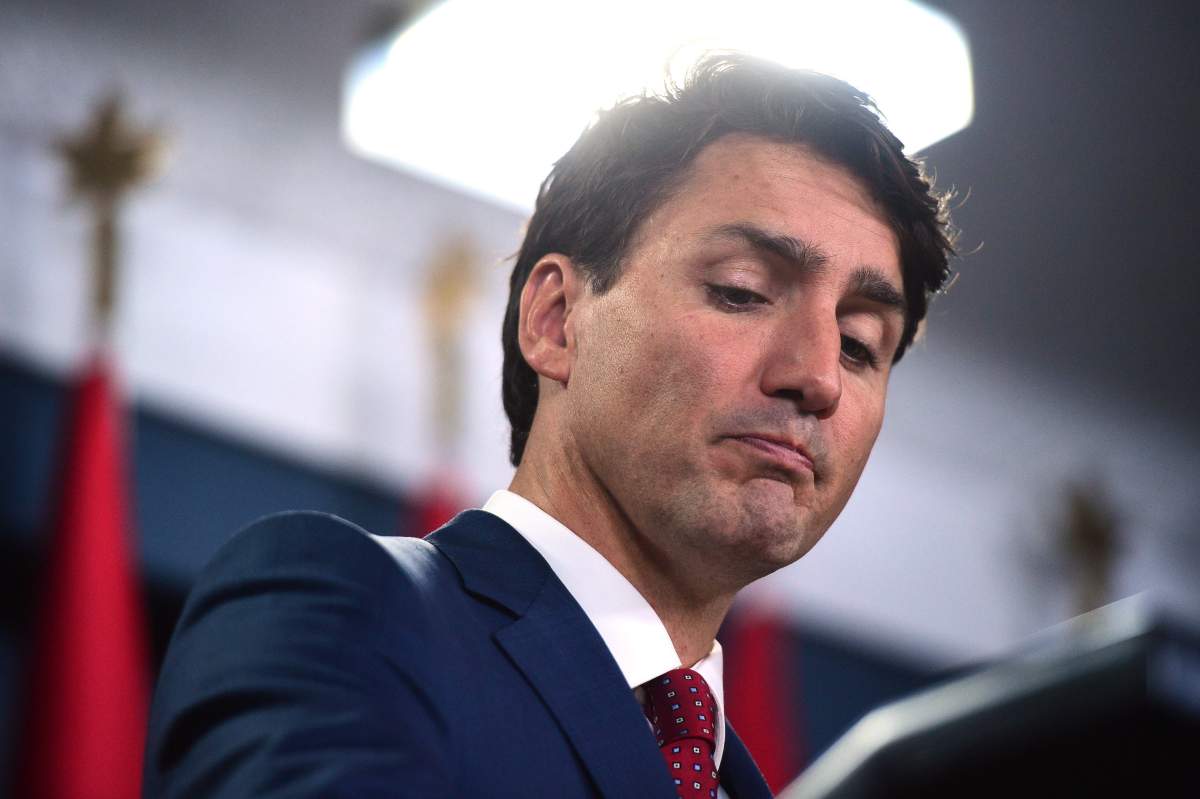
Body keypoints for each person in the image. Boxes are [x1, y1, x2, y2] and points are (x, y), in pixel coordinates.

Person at [143, 53, 955, 798]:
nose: (818, 376)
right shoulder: (341, 609)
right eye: (742, 290)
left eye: (860, 343)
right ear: (558, 320)